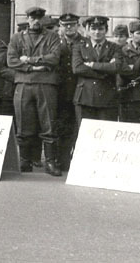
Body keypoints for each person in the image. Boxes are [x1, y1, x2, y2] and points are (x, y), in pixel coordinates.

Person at [7, 6, 63, 176]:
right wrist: (33, 68)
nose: (36, 21)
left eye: (39, 18)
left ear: (43, 19)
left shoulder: (52, 37)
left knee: (48, 124)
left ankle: (50, 162)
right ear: (28, 19)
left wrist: (29, 60)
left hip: (46, 84)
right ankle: (25, 161)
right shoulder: (17, 37)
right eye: (33, 18)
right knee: (23, 123)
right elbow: (11, 60)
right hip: (23, 84)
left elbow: (54, 58)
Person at [71, 16, 124, 125]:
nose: (97, 32)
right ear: (88, 30)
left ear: (106, 30)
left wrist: (93, 65)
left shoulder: (114, 47)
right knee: (85, 132)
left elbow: (116, 67)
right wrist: (104, 72)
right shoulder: (79, 47)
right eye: (93, 29)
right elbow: (77, 68)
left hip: (107, 98)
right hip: (85, 97)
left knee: (107, 132)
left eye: (100, 29)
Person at [56, 13, 83, 171]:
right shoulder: (56, 43)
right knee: (63, 126)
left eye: (72, 24)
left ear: (77, 25)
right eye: (65, 25)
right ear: (60, 26)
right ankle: (63, 159)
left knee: (79, 126)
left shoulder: (85, 43)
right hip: (61, 91)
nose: (68, 27)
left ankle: (78, 159)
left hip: (80, 89)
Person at [117, 20, 140, 123]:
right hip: (130, 96)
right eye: (138, 33)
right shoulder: (123, 51)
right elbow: (124, 72)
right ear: (131, 34)